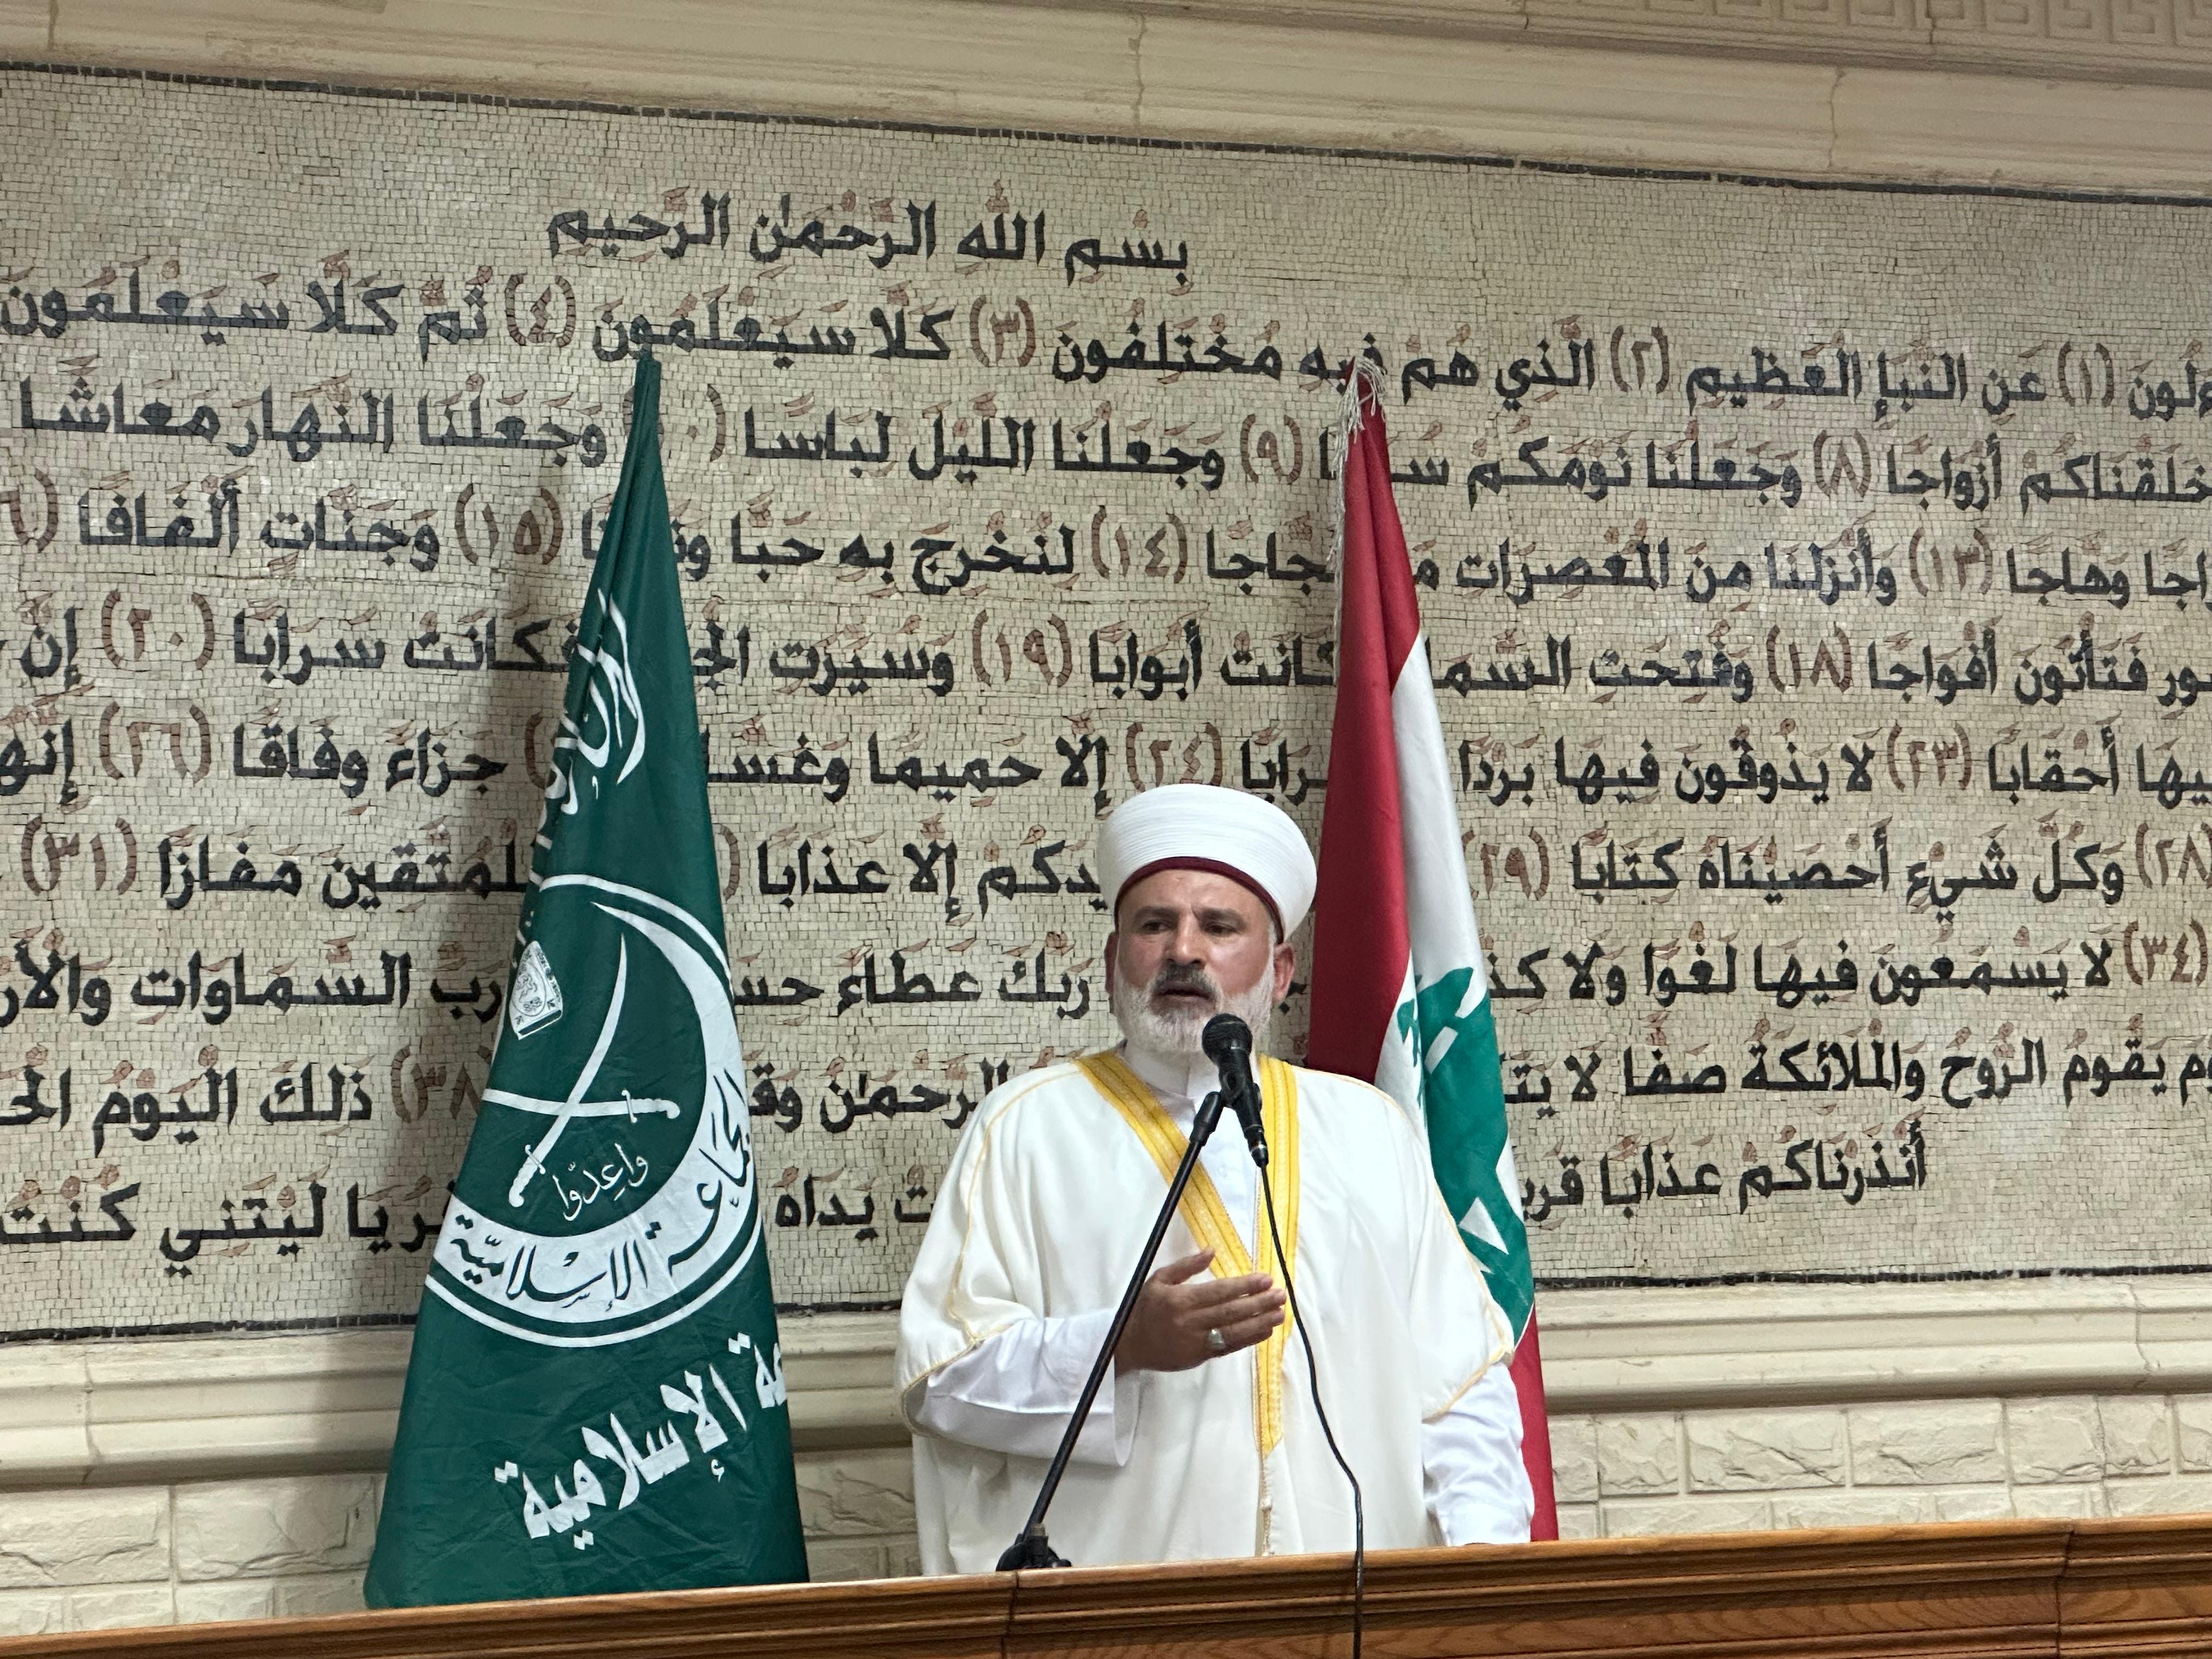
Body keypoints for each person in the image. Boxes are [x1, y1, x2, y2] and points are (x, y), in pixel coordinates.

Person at [895, 783, 1532, 1573]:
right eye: (1154, 925)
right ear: (1113, 960)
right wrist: (1119, 1346)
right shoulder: (1024, 1129)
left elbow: (1459, 1386)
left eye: (1220, 927)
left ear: (1281, 970)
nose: (1184, 951)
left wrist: (1484, 1560)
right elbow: (939, 1378)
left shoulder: (1370, 1131)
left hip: (1354, 1603)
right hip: (1120, 1607)